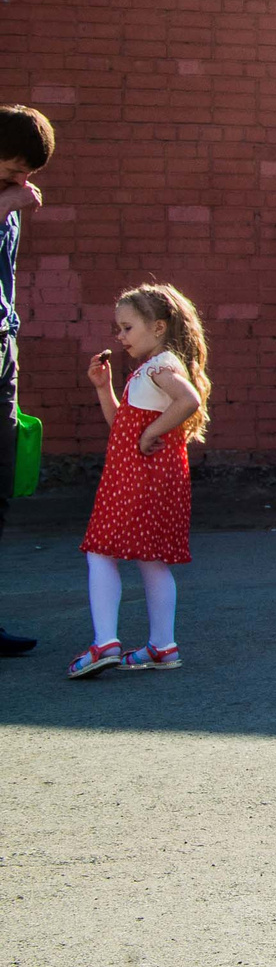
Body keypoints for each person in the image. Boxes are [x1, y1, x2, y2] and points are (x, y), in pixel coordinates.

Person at [66, 284, 209, 679]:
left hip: (137, 478)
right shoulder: (151, 368)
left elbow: (189, 400)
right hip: (148, 478)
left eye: (127, 328)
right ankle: (163, 646)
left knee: (100, 551)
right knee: (151, 559)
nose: (120, 337)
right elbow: (122, 426)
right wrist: (103, 388)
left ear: (158, 327)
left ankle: (105, 641)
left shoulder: (160, 367)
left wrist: (151, 434)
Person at [0, 105, 55, 659]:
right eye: (16, 166)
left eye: (29, 172)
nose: (24, 180)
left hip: (2, 349)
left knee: (0, 482)